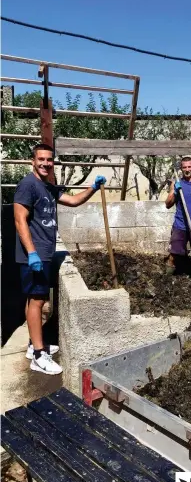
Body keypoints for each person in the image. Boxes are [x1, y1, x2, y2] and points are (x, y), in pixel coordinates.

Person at [14, 143, 107, 376]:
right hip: (33, 254)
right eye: (41, 159)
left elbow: (74, 201)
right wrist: (32, 252)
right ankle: (38, 355)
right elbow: (19, 220)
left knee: (36, 299)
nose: (46, 163)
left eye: (49, 160)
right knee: (37, 300)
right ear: (32, 161)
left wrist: (92, 188)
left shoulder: (47, 187)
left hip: (44, 252)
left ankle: (33, 345)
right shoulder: (28, 185)